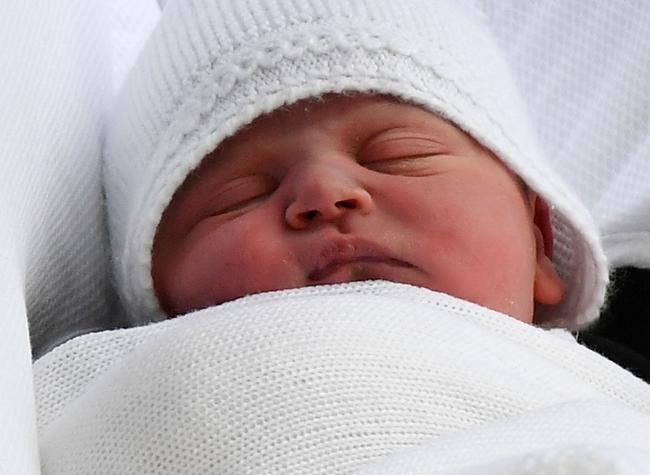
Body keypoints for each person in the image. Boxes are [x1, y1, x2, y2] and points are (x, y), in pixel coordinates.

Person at [103, 0, 608, 331]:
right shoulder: (107, 397)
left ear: (538, 239)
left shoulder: (610, 408)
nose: (324, 191)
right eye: (238, 196)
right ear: (161, 303)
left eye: (401, 154)